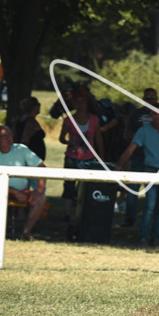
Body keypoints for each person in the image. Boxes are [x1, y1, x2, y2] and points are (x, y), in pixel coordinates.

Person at [116, 102, 159, 246]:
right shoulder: (144, 130)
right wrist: (120, 165)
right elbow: (130, 149)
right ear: (150, 115)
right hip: (151, 171)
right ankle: (143, 237)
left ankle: (156, 237)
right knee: (150, 206)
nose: (157, 116)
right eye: (154, 113)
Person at [0, 126, 47, 240]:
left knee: (40, 199)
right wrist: (15, 192)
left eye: (9, 135)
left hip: (24, 192)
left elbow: (41, 167)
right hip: (2, 192)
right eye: (4, 136)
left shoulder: (21, 149)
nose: (8, 138)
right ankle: (0, 232)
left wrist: (39, 191)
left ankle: (26, 233)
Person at [59, 90, 104, 219]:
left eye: (82, 102)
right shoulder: (69, 120)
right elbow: (61, 138)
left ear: (87, 104)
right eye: (77, 102)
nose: (80, 105)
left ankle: (83, 212)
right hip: (72, 157)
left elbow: (98, 138)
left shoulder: (94, 120)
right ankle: (67, 213)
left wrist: (101, 157)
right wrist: (68, 142)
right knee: (69, 184)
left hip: (89, 157)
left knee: (86, 186)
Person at [121, 88, 158, 227]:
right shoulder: (136, 114)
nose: (151, 101)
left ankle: (154, 220)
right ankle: (129, 218)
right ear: (143, 99)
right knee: (133, 189)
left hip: (156, 159)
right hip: (138, 156)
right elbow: (127, 134)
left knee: (154, 191)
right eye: (148, 98)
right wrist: (141, 138)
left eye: (153, 98)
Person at [14, 96, 46, 161]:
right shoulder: (31, 123)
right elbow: (24, 141)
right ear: (33, 107)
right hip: (31, 158)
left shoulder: (20, 120)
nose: (39, 106)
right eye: (38, 104)